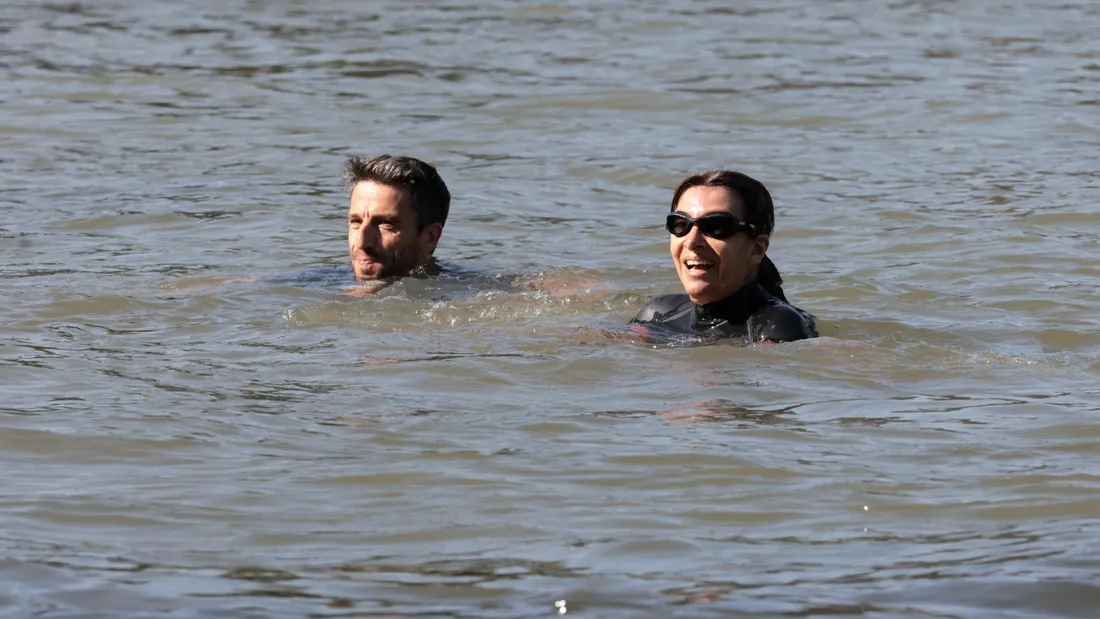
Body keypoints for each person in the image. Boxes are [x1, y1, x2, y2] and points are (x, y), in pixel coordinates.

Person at [630, 170, 818, 343]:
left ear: (757, 250)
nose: (691, 241)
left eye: (717, 226)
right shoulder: (657, 313)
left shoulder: (777, 324)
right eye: (680, 224)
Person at [345, 154, 450, 281]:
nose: (361, 242)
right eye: (356, 222)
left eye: (385, 223)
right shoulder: (320, 282)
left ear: (430, 237)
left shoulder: (465, 293)